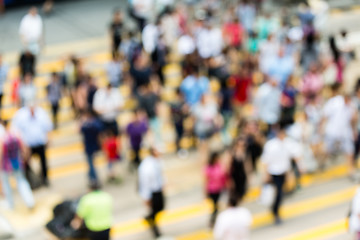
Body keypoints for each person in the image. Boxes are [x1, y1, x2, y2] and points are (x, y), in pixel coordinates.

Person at [261, 123, 301, 224]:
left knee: (280, 193)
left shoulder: (288, 143)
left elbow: (295, 156)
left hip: (283, 172)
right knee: (277, 193)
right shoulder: (271, 145)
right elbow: (266, 161)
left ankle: (275, 209)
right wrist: (266, 175)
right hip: (273, 173)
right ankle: (275, 212)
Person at [12, 103, 53, 186]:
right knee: (26, 164)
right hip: (28, 145)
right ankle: (31, 182)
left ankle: (45, 179)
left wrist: (48, 138)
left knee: (43, 162)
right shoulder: (21, 115)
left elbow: (48, 127)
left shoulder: (41, 113)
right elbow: (16, 130)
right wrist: (23, 145)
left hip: (40, 143)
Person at [321, 83, 357, 178]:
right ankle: (322, 162)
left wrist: (354, 131)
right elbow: (325, 116)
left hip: (345, 132)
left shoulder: (351, 105)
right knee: (327, 150)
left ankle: (351, 171)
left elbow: (353, 120)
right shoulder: (334, 102)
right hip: (333, 131)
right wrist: (321, 129)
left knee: (350, 151)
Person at [0, 120, 35, 210]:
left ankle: (11, 205)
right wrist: (25, 158)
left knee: (6, 184)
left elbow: (1, 153)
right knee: (21, 181)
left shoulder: (3, 137)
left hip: (6, 165)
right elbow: (24, 148)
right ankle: (29, 201)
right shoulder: (15, 134)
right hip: (17, 162)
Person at [138, 148, 165, 238]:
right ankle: (153, 225)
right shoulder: (147, 166)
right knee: (155, 208)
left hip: (158, 189)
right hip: (152, 192)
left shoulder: (157, 161)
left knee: (160, 207)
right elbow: (145, 182)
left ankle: (150, 218)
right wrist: (146, 197)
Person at [80, 110, 103, 184]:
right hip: (90, 145)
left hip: (91, 145)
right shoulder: (92, 123)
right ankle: (92, 177)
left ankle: (94, 179)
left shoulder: (91, 123)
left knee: (91, 164)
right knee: (90, 164)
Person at [205, 152, 227, 227]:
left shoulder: (220, 166)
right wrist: (205, 192)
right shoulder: (209, 168)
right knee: (215, 207)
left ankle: (215, 220)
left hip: (220, 189)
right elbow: (206, 180)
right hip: (212, 190)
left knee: (219, 206)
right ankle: (213, 221)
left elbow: (224, 177)